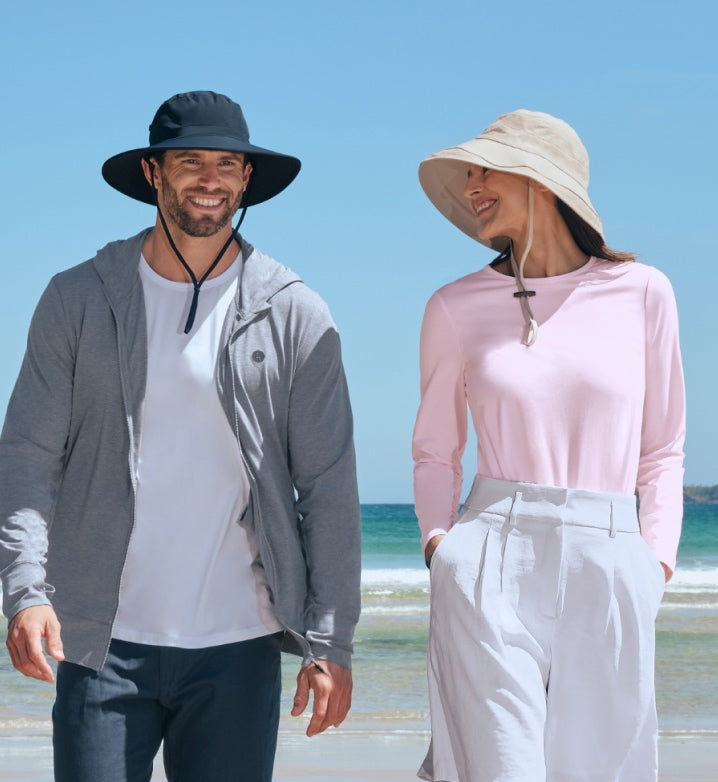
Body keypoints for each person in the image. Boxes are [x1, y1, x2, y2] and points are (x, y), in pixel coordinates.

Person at [0, 90, 361, 782]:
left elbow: (329, 489)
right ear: (152, 174)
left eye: (227, 164)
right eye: (189, 161)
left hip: (239, 645)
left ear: (246, 179)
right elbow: (27, 457)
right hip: (101, 645)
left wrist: (330, 641)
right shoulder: (77, 299)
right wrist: (26, 591)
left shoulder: (295, 314)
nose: (209, 178)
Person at [412, 110, 685, 781]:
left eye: (485, 169)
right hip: (489, 558)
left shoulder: (643, 294)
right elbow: (435, 451)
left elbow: (664, 448)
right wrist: (440, 546)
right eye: (467, 173)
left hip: (612, 558)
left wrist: (655, 565)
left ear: (541, 181)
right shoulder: (454, 306)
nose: (471, 185)